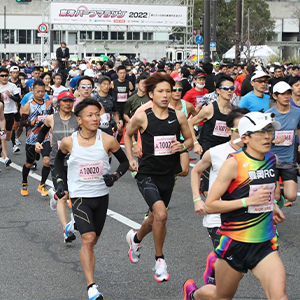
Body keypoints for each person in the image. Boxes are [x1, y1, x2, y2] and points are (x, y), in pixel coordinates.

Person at [184, 111, 287, 300]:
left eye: (269, 131)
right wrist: (247, 202)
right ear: (245, 137)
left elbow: (264, 193)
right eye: (261, 132)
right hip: (235, 243)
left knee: (279, 297)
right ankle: (194, 295)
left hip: (264, 243)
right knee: (221, 296)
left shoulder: (272, 160)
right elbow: (211, 206)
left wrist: (272, 205)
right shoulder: (233, 163)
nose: (267, 137)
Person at [54, 98, 129, 300]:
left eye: (97, 114)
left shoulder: (108, 140)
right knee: (87, 239)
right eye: (90, 115)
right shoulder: (70, 142)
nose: (95, 118)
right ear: (79, 120)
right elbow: (58, 161)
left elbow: (124, 163)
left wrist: (114, 176)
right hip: (79, 197)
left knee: (93, 239)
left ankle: (72, 225)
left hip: (101, 197)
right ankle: (91, 286)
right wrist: (60, 184)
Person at [124, 73, 193, 282]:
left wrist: (182, 145)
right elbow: (127, 135)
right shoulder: (142, 116)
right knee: (161, 215)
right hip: (146, 174)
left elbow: (189, 139)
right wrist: (130, 158)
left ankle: (135, 239)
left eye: (168, 91)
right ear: (151, 94)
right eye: (160, 91)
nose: (165, 95)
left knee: (154, 217)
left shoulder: (178, 116)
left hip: (168, 174)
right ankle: (159, 260)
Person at [190, 108, 248, 285]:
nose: (244, 134)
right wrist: (196, 199)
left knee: (237, 265)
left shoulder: (255, 154)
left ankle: (214, 263)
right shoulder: (216, 152)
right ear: (229, 130)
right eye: (239, 129)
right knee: (227, 272)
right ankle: (210, 278)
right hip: (217, 216)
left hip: (244, 216)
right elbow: (196, 171)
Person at [35, 91, 78, 243]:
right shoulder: (51, 118)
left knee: (76, 196)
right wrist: (38, 142)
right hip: (57, 162)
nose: (68, 104)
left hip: (76, 162)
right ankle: (66, 229)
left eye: (70, 101)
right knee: (63, 195)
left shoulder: (78, 118)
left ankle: (53, 195)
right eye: (64, 101)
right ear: (58, 103)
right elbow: (43, 131)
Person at [266, 81, 300, 204]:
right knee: (274, 196)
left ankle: (278, 192)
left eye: (288, 94)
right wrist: (272, 140)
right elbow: (261, 135)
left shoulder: (297, 113)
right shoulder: (268, 114)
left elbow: (298, 129)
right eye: (282, 94)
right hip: (271, 159)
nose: (286, 97)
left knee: (291, 196)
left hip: (289, 159)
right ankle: (275, 196)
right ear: (275, 96)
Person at [20, 80, 53, 196]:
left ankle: (42, 184)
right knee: (29, 163)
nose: (40, 94)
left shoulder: (49, 103)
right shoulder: (28, 105)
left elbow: (53, 117)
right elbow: (22, 122)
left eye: (42, 91)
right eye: (38, 91)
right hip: (32, 138)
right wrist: (34, 121)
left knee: (47, 161)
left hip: (45, 136)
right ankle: (24, 182)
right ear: (32, 91)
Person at [170, 81, 197, 176]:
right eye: (174, 90)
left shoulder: (188, 106)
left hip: (182, 139)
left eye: (179, 90)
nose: (177, 92)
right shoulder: (164, 105)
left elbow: (197, 118)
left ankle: (170, 176)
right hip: (168, 139)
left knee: (185, 171)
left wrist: (193, 128)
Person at [0, 67, 21, 166]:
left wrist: (11, 95)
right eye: (2, 76)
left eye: (6, 76)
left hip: (10, 112)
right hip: (1, 113)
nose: (4, 78)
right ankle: (5, 156)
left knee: (7, 137)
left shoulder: (12, 86)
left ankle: (3, 149)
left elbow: (18, 99)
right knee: (2, 136)